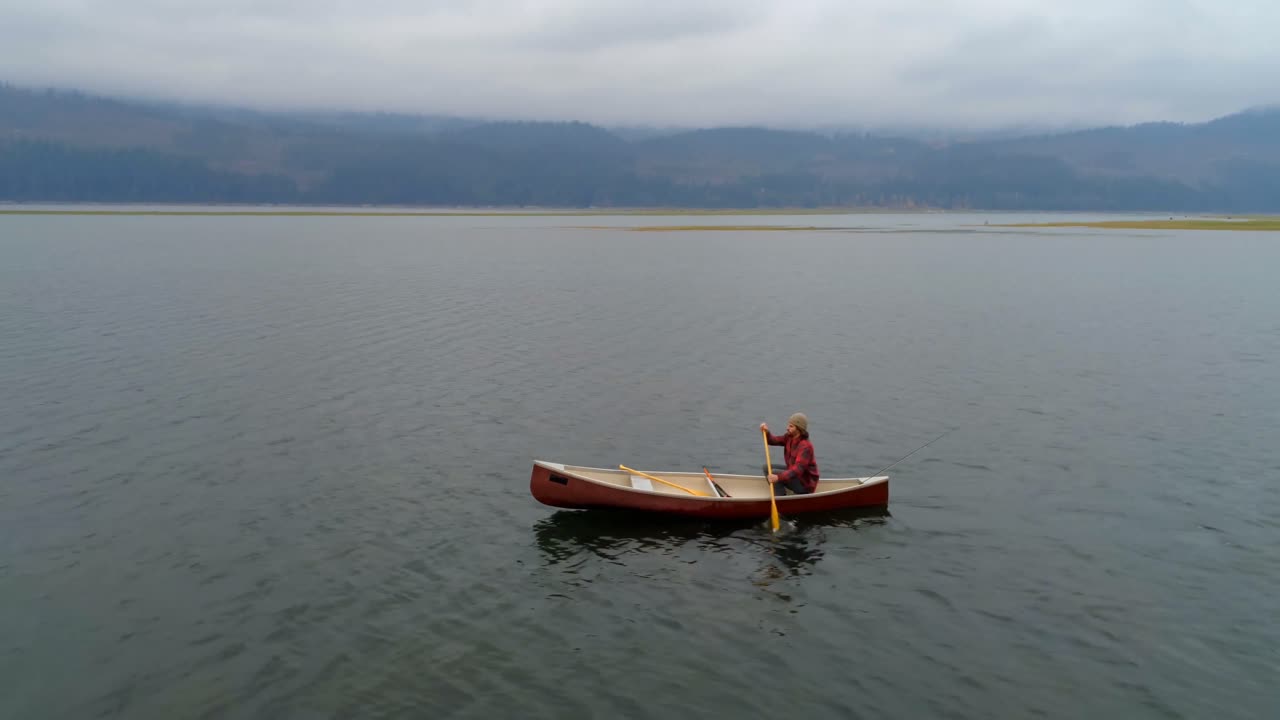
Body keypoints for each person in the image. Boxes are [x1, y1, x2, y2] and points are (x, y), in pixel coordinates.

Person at [759, 413, 820, 495]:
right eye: (788, 425)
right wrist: (766, 432)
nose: (787, 428)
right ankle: (778, 489)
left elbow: (798, 469)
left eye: (791, 426)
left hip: (804, 484)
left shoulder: (805, 446)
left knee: (774, 473)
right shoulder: (789, 437)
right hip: (796, 476)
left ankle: (780, 498)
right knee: (766, 468)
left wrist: (778, 477)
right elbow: (772, 440)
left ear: (799, 429)